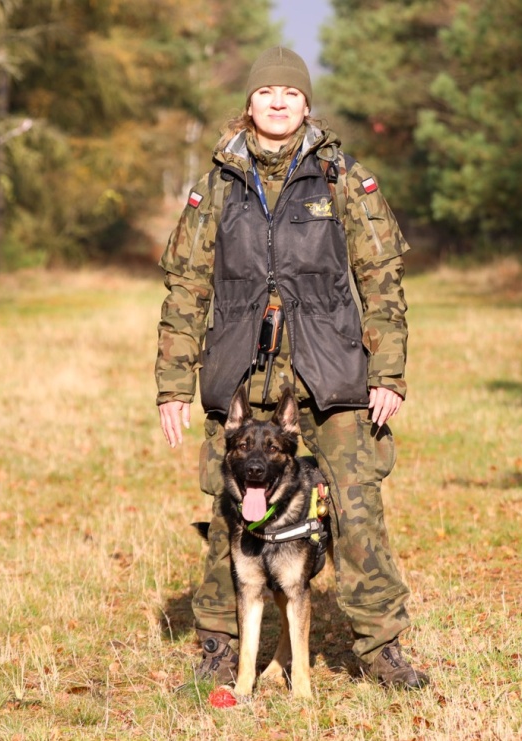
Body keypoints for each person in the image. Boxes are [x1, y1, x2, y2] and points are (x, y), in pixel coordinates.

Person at [155, 46, 428, 690]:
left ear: (307, 103)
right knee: (234, 510)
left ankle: (381, 648)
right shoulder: (217, 184)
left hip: (331, 369)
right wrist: (173, 386)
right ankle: (223, 645)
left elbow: (382, 279)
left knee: (357, 505)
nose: (278, 102)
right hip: (242, 372)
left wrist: (386, 373)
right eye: (266, 92)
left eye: (291, 93)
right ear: (248, 103)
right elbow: (185, 290)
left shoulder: (341, 177)